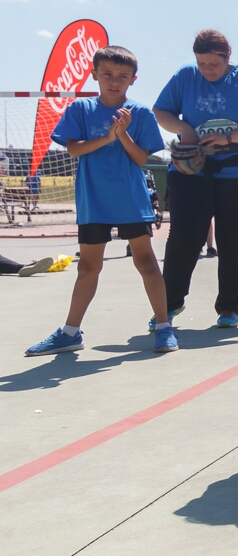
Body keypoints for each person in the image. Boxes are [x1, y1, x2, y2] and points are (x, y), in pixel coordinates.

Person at [26, 46, 178, 356]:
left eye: (122, 76)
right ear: (94, 74)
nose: (114, 81)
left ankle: (164, 327)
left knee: (146, 261)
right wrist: (108, 136)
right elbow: (73, 149)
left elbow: (139, 159)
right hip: (93, 200)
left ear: (133, 79)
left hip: (130, 199)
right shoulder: (80, 109)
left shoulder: (141, 113)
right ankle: (70, 332)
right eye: (107, 74)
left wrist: (122, 134)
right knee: (88, 267)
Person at [153, 29, 238, 330]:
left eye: (213, 64)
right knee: (183, 239)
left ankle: (230, 308)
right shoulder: (185, 77)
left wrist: (230, 137)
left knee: (234, 241)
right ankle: (169, 303)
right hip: (191, 172)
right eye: (201, 63)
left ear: (227, 57)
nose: (207, 70)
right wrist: (185, 128)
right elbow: (161, 111)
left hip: (235, 172)